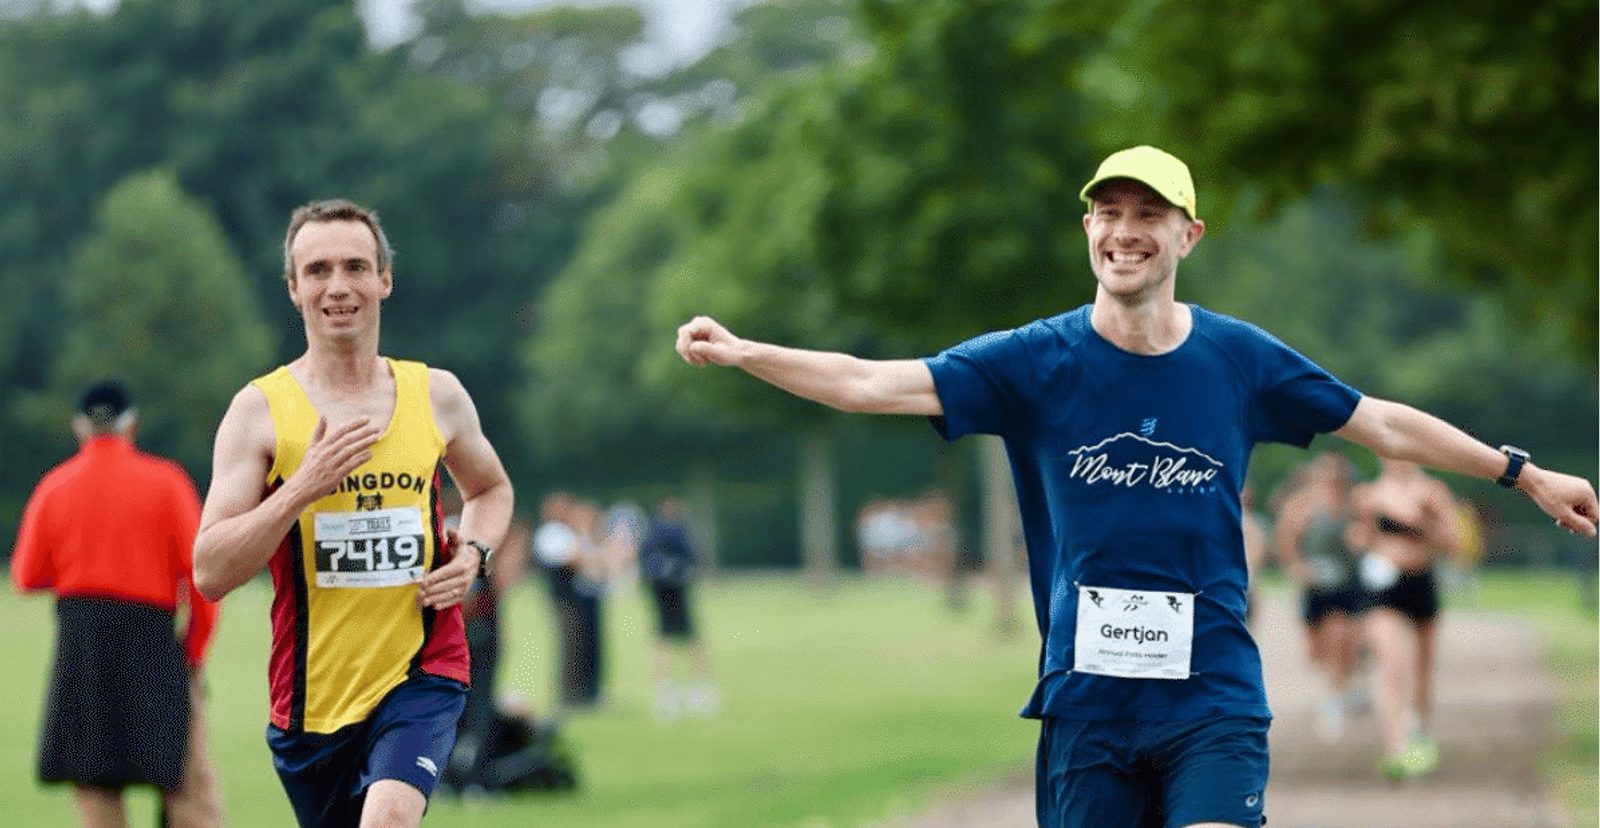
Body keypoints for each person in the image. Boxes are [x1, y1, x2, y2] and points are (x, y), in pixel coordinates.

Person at [673, 145, 1599, 828]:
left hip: (1212, 695)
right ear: (1088, 230)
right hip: (1088, 702)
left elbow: (1383, 423)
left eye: (1148, 215)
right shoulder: (1033, 362)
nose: (1125, 232)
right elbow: (872, 381)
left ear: (1187, 235)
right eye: (1108, 213)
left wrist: (1521, 473)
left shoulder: (1241, 360)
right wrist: (748, 350)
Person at [191, 198, 513, 828]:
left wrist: (474, 554)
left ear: (384, 279)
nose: (338, 287)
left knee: (389, 818)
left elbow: (490, 490)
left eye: (355, 267)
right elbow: (210, 571)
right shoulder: (259, 412)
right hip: (311, 699)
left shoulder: (436, 395)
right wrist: (298, 490)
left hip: (422, 671)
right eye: (317, 271)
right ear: (293, 288)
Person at [10, 380, 223, 828]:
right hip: (154, 647)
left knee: (96, 788)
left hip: (84, 648)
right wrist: (194, 651)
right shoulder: (166, 482)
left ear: (79, 428)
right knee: (186, 784)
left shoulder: (55, 485)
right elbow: (204, 578)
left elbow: (26, 576)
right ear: (133, 425)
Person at [1347, 458, 1461, 780]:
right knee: (1391, 663)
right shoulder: (1368, 494)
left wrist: (1428, 521)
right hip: (1384, 587)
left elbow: (1452, 545)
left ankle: (1418, 729)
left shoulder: (1433, 492)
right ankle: (1394, 746)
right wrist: (1366, 527)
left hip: (1421, 581)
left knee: (1423, 666)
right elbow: (1357, 540)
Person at [1272, 451, 1368, 743]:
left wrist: (1360, 540)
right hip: (1315, 587)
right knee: (1316, 652)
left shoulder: (1355, 504)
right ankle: (1344, 686)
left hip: (1348, 584)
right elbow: (1285, 541)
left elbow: (1369, 536)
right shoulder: (1301, 506)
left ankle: (1335, 698)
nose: (1331, 482)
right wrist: (1297, 567)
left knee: (1343, 639)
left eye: (1336, 477)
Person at [639, 496, 718, 719]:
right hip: (670, 591)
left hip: (667, 590)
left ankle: (679, 689)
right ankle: (687, 689)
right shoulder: (673, 532)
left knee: (673, 638)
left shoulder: (655, 533)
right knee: (680, 638)